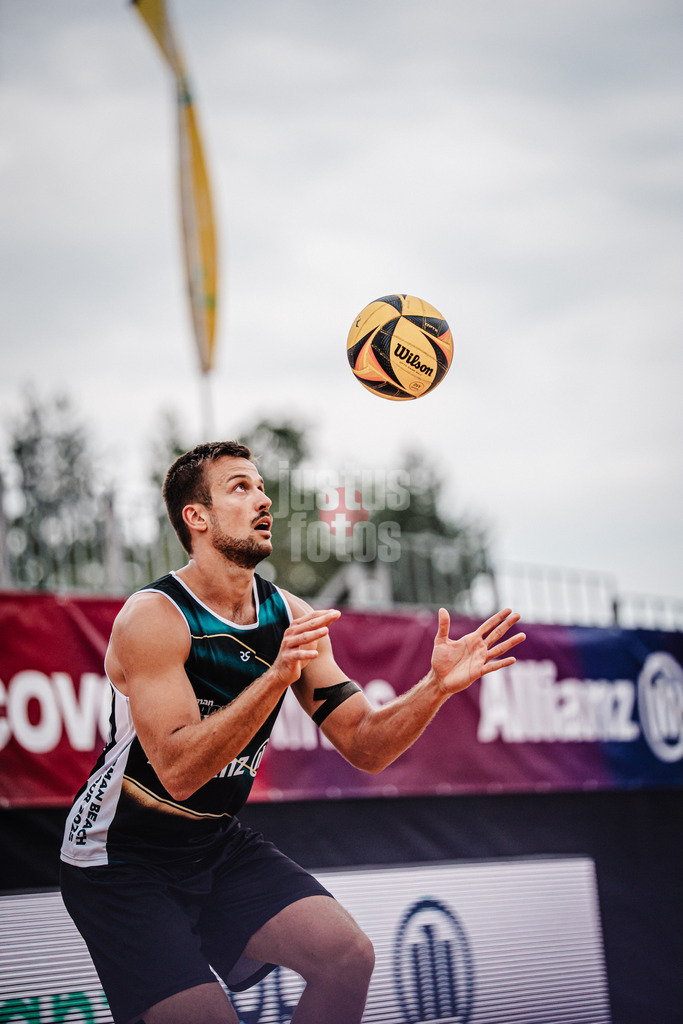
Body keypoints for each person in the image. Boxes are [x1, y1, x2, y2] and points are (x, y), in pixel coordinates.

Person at [60, 440, 525, 1024]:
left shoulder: (290, 615)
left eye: (260, 486)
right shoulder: (153, 617)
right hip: (120, 858)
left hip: (212, 842)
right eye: (240, 487)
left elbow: (365, 745)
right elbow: (178, 772)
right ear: (196, 517)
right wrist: (276, 674)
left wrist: (435, 688)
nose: (263, 500)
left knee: (347, 958)